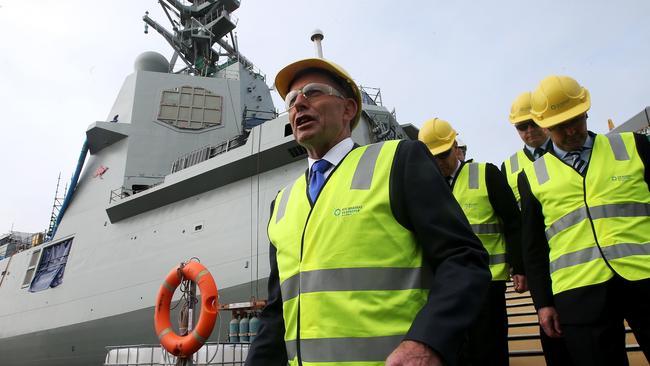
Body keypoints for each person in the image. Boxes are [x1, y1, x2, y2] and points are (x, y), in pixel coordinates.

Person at [245, 58, 491, 366]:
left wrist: (427, 341)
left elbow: (464, 259)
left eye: (313, 92)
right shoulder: (281, 204)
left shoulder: (398, 161)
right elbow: (277, 313)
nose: (299, 105)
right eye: (292, 100)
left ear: (348, 109)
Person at [518, 75, 650, 366]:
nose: (570, 131)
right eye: (558, 126)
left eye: (575, 120)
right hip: (578, 293)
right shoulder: (532, 177)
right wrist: (543, 303)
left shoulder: (634, 148)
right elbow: (534, 247)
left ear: (586, 111)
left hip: (645, 277)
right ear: (544, 124)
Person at [418, 118, 523, 366]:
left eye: (442, 155)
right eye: (431, 158)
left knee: (490, 349)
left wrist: (520, 266)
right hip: (444, 284)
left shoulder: (486, 173)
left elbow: (513, 222)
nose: (438, 163)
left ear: (455, 147)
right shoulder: (424, 187)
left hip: (487, 281)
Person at [503, 91, 573, 366]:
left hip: (571, 245)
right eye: (522, 126)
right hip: (536, 255)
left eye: (533, 123)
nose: (529, 131)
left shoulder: (570, 152)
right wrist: (518, 266)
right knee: (547, 318)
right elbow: (511, 222)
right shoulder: (508, 167)